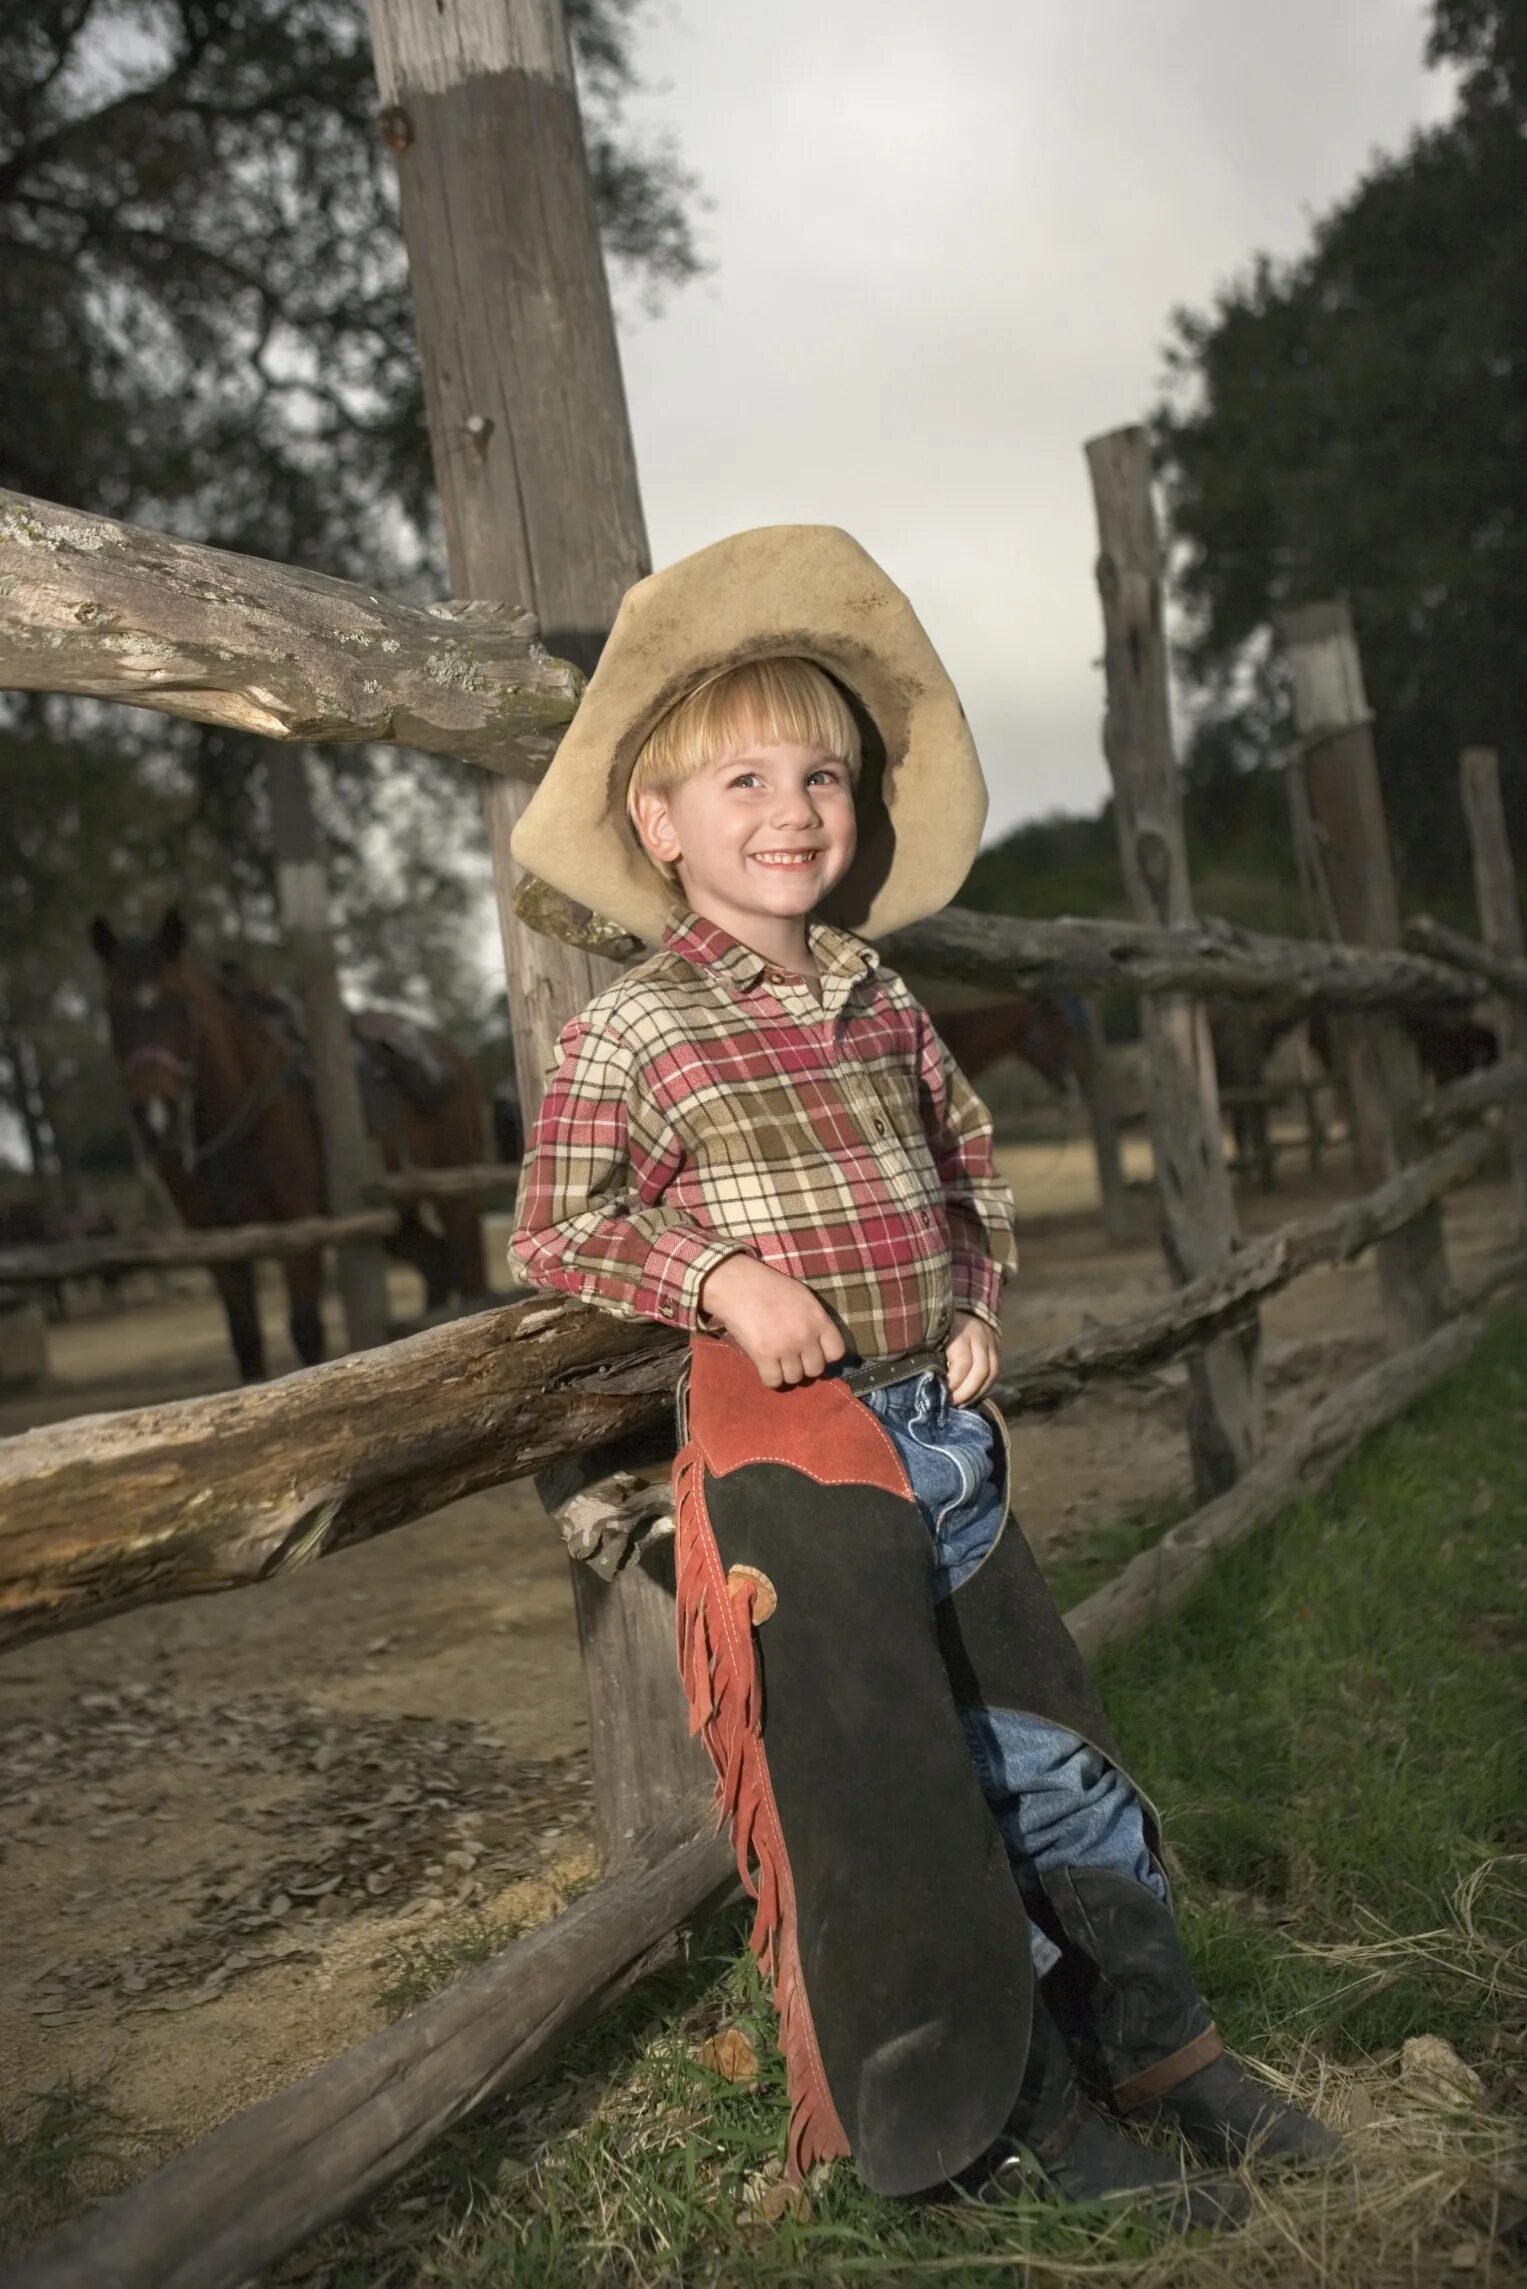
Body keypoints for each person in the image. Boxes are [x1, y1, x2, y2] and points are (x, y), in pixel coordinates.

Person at [507, 527, 1337, 2228]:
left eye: (820, 771)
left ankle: (1160, 2042)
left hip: (935, 1432)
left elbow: (966, 1168)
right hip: (799, 1463)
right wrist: (725, 1275)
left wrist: (969, 1295)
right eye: (740, 777)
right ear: (660, 826)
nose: (791, 807)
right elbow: (560, 1228)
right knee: (902, 1778)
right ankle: (1013, 2108)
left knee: (1046, 1739)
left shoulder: (880, 998)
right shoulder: (634, 1031)